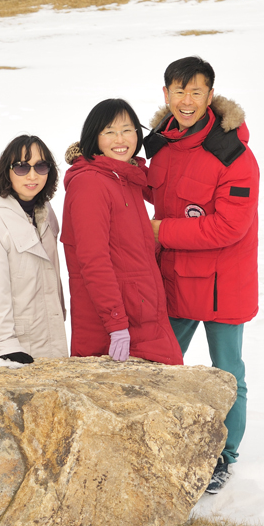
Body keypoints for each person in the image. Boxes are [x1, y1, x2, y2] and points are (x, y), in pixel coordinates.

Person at [143, 56, 260, 494]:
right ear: (166, 94)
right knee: (159, 365)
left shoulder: (234, 155)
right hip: (175, 277)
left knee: (227, 373)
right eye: (179, 91)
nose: (187, 101)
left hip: (221, 283)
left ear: (210, 95)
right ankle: (160, 442)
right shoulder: (160, 144)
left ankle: (224, 455)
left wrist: (160, 231)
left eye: (196, 91)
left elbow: (230, 226)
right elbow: (145, 186)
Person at [62, 99, 183, 366]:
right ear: (94, 138)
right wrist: (116, 324)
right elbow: (93, 261)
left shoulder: (125, 177)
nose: (120, 139)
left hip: (142, 315)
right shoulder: (89, 184)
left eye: (127, 130)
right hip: (114, 325)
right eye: (109, 131)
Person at [0, 136, 68, 363]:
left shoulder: (44, 211)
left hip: (48, 334)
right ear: (6, 171)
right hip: (8, 347)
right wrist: (4, 345)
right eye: (22, 167)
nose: (32, 176)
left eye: (41, 166)